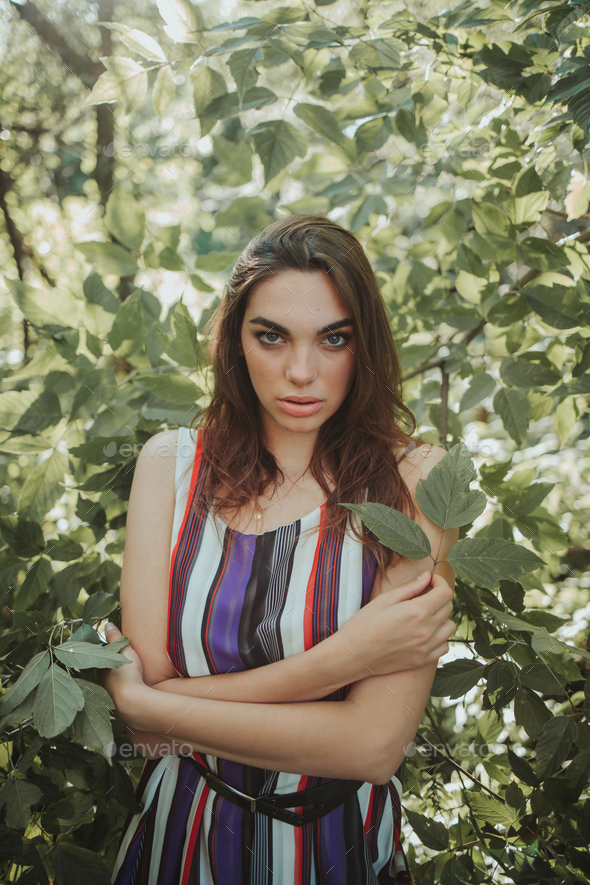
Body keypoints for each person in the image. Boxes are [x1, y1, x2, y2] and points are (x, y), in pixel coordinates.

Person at [100, 214, 458, 885]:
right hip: (181, 843)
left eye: (334, 338)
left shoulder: (416, 482)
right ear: (237, 340)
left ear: (365, 343)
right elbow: (152, 738)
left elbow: (373, 745)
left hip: (338, 851)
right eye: (272, 336)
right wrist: (348, 658)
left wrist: (158, 705)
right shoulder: (169, 468)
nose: (302, 371)